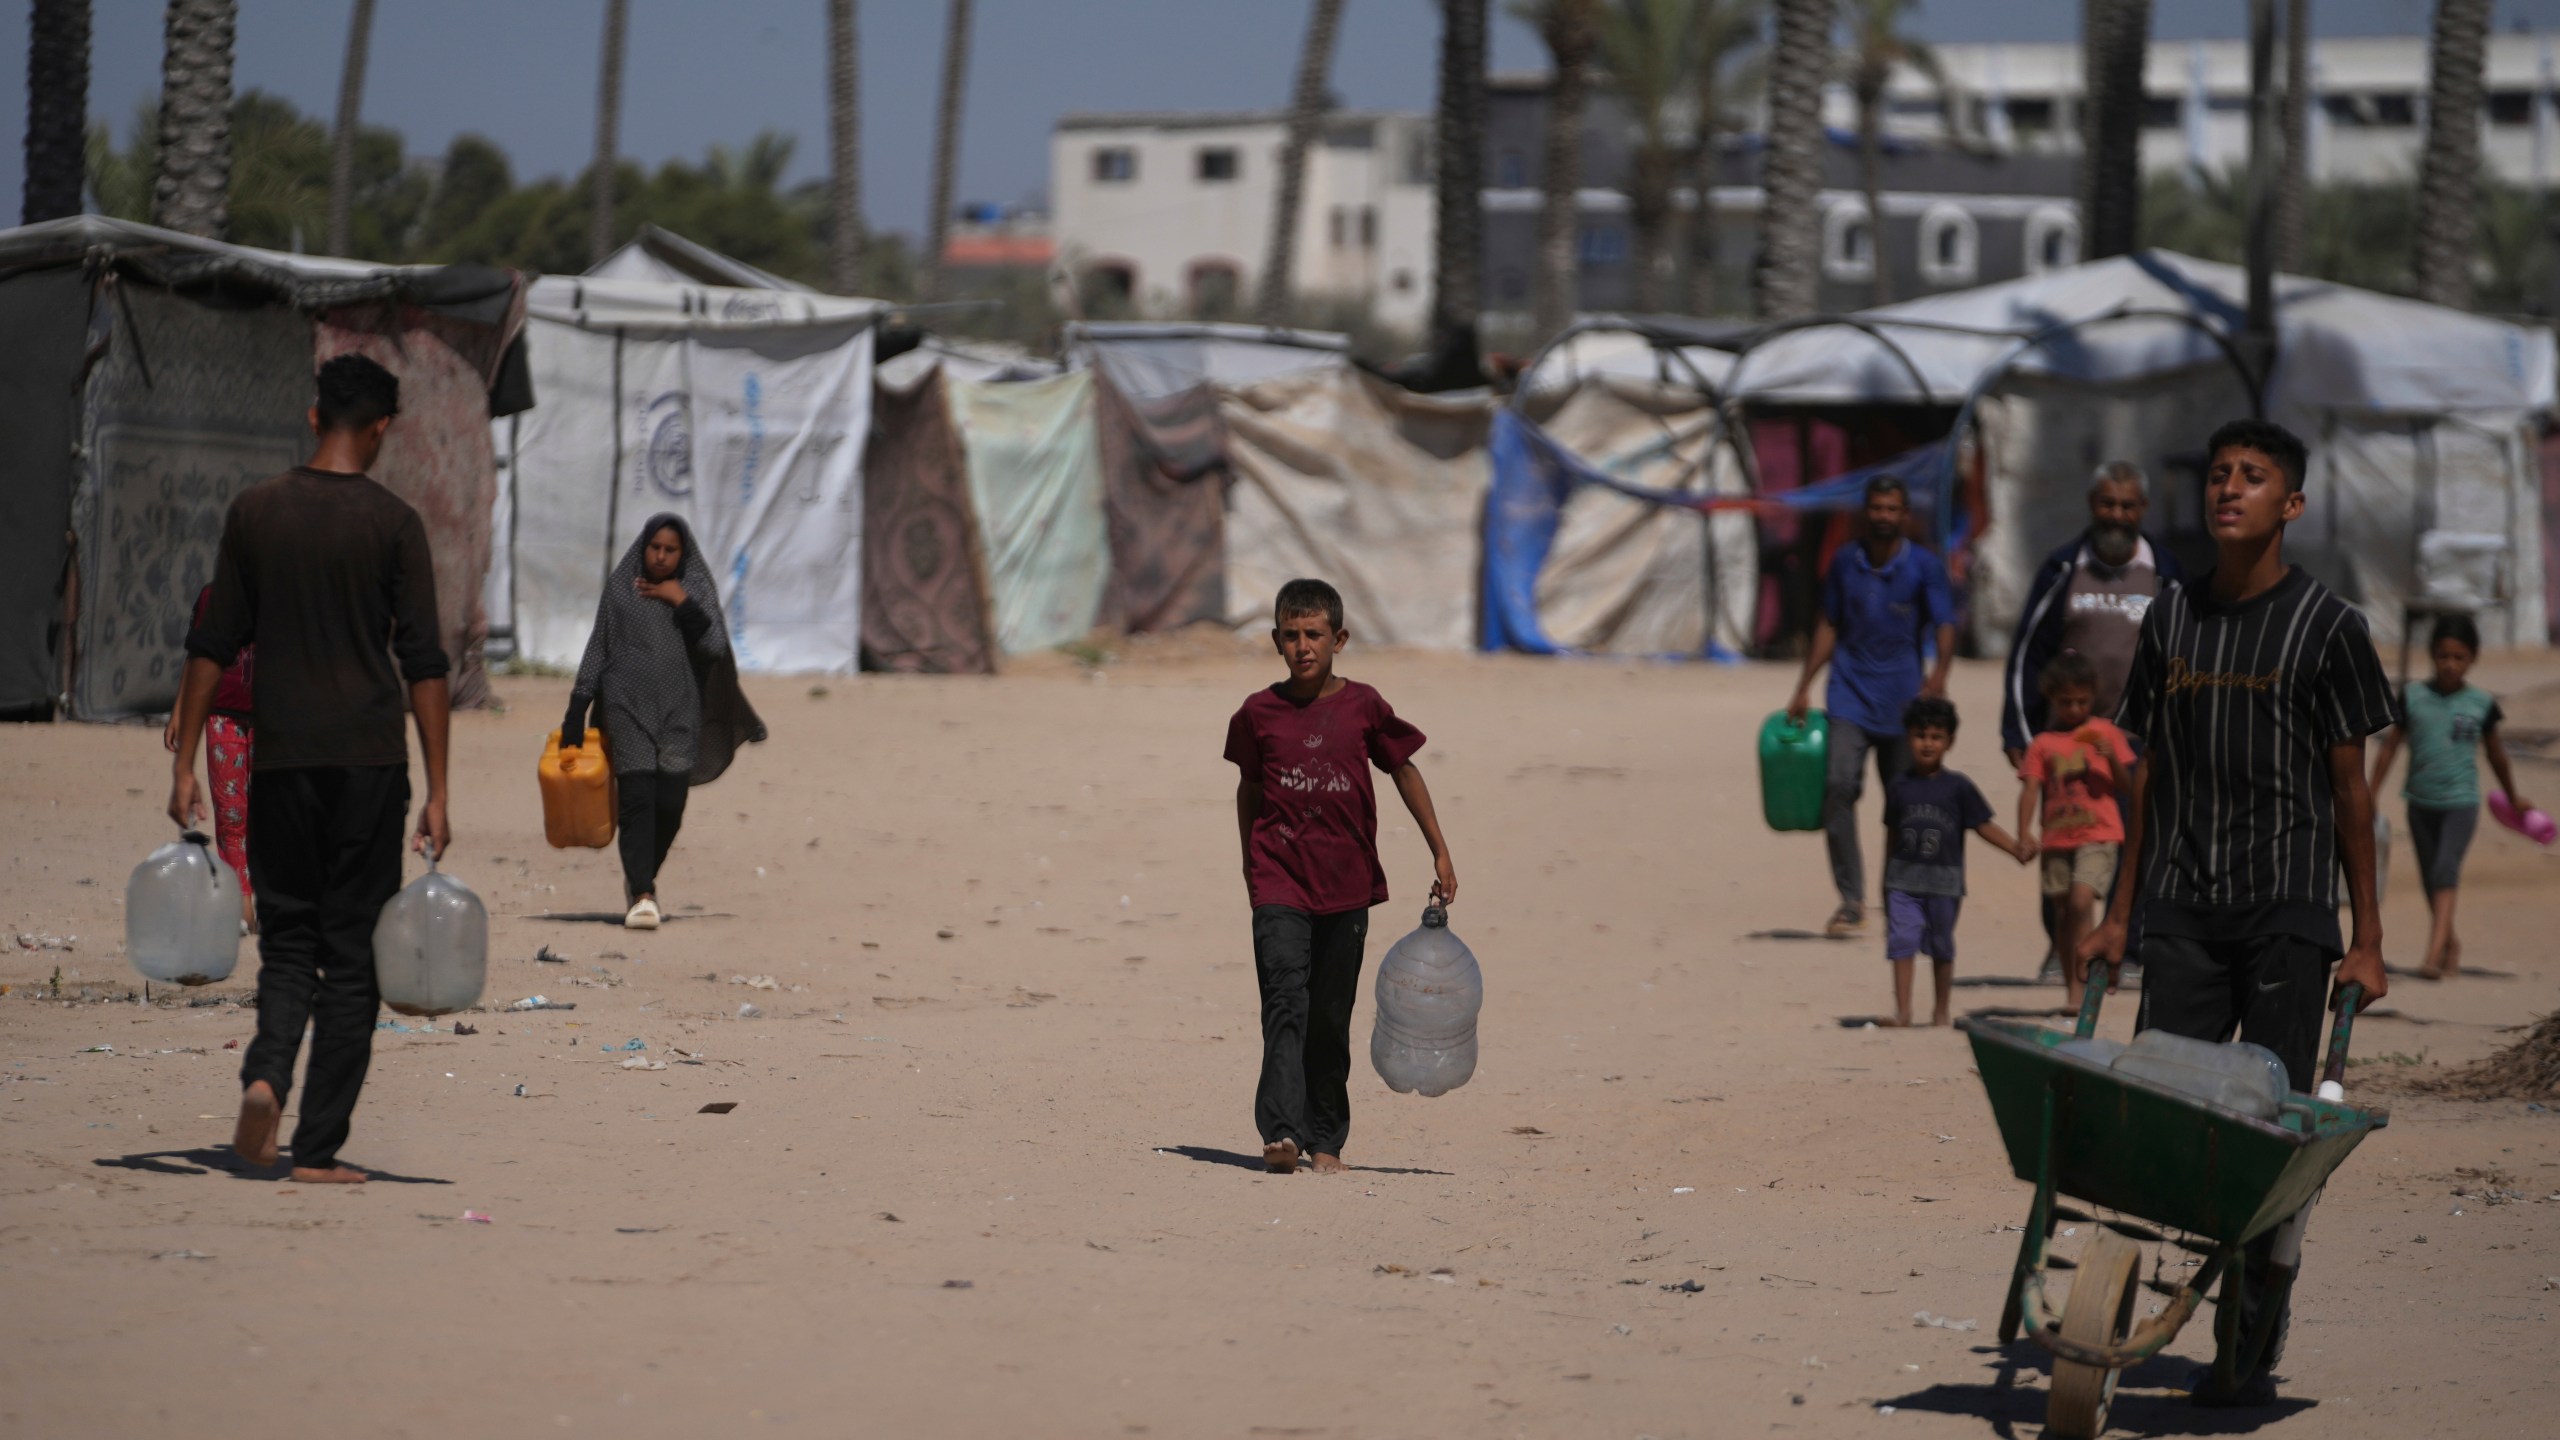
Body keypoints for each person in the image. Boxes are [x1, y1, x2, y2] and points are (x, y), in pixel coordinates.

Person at [2083, 417, 2397, 1408]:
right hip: (2180, 901)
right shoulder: (2169, 619)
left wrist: (2370, 941)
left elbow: (2352, 796)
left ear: (2289, 505)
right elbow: (2148, 776)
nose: (2229, 490)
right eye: (2218, 475)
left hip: (2287, 913)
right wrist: (2115, 914)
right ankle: (2112, 1300)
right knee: (2156, 1116)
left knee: (2265, 1128)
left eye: (2252, 478)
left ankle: (2256, 1305)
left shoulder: (2329, 628)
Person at [169, 353, 451, 1185]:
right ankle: (318, 1148)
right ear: (383, 428)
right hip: (368, 762)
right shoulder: (396, 525)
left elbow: (212, 641)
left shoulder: (257, 512)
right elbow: (425, 662)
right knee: (352, 955)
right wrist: (439, 789)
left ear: (312, 417)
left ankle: (265, 1077)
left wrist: (184, 760)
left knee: (289, 942)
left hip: (280, 761)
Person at [1226, 578, 1457, 1175]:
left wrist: (1439, 849)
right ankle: (1280, 1131)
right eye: (1292, 636)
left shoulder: (1363, 706)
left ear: (1339, 639)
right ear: (1276, 641)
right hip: (1279, 882)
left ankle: (1326, 1140)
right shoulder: (1258, 713)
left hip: (1347, 884)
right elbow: (1249, 790)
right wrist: (1254, 863)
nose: (1303, 646)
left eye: (1315, 635)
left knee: (1330, 1014)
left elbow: (1403, 770)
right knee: (1284, 1003)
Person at [2001, 462, 2180, 981]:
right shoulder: (2062, 569)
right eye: (2108, 504)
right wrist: (2018, 732)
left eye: (2127, 506)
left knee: (2137, 840)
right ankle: (2062, 948)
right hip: (2068, 738)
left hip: (2140, 739)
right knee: (2064, 837)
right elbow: (2026, 656)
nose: (2117, 515)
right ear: (2091, 504)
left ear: (2142, 510)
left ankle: (2129, 948)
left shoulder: (2166, 573)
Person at [560, 513, 766, 930]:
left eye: (670, 550)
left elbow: (712, 646)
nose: (660, 556)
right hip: (626, 708)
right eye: (655, 547)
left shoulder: (695, 589)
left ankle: (641, 875)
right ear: (643, 546)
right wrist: (575, 710)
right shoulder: (622, 589)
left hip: (680, 711)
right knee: (636, 801)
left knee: (670, 803)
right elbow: (598, 646)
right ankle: (642, 892)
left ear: (682, 553)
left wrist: (680, 600)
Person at [1787, 475, 1958, 937]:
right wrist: (1804, 685)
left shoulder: (1923, 566)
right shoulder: (1846, 563)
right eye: (1876, 508)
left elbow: (1945, 623)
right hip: (1848, 696)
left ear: (1905, 515)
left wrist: (1939, 675)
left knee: (1903, 806)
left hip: (1905, 703)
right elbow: (1828, 623)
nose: (1883, 516)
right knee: (1838, 787)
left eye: (1891, 509)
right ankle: (1850, 900)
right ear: (1867, 512)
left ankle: (1896, 899)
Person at [2367, 613, 2531, 981]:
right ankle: (2451, 943)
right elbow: (2390, 749)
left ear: (2472, 659)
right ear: (2431, 655)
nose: (2450, 665)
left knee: (2445, 870)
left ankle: (2433, 953)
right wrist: (2370, 793)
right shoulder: (2413, 697)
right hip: (2420, 802)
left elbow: (2496, 755)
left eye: (2459, 657)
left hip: (2461, 803)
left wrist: (2514, 797)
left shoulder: (2481, 704)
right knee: (2431, 878)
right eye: (2443, 656)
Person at [1880, 696, 2032, 1028]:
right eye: (1920, 735)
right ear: (1908, 738)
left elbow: (1982, 825)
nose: (1927, 743)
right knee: (1902, 941)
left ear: (1950, 741)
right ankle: (1903, 1012)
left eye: (1936, 737)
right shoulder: (1899, 786)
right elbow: (1891, 836)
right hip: (1903, 882)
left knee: (1941, 946)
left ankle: (1940, 1011)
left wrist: (2014, 848)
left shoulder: (1958, 787)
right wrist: (1884, 882)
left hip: (1944, 885)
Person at [2015, 652, 2136, 1014]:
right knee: (2064, 914)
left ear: (2093, 697)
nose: (2074, 708)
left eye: (2081, 701)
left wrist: (2110, 758)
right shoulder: (2043, 744)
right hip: (2056, 839)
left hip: (2099, 834)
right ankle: (2073, 990)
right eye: (2065, 701)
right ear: (2052, 699)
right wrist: (2023, 832)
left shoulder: (2106, 733)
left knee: (2083, 901)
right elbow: (2031, 789)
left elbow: (2127, 785)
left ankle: (2085, 983)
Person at [164, 584, 258, 933]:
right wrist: (180, 709)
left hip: (276, 715)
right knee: (231, 815)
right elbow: (198, 655)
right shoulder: (214, 596)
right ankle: (242, 904)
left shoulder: (287, 585)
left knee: (273, 813)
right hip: (223, 715)